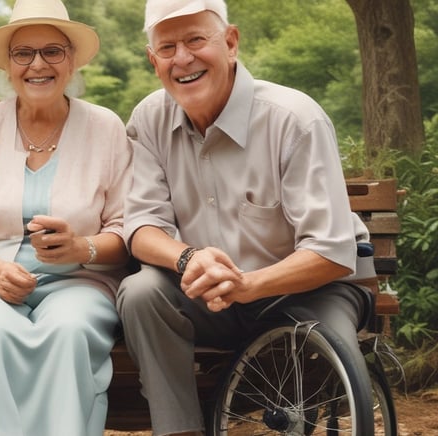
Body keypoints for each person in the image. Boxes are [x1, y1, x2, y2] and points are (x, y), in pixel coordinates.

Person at [116, 0, 375, 434]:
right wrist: (187, 258)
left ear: (231, 42)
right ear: (152, 59)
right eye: (167, 47)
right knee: (141, 292)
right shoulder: (149, 119)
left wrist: (248, 285)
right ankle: (180, 430)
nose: (183, 59)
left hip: (311, 291)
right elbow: (142, 227)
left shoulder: (295, 119)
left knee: (339, 358)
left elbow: (330, 252)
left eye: (197, 40)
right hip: (211, 295)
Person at [0, 0, 132, 434]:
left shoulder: (106, 128)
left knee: (69, 333)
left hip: (79, 281)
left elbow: (128, 227)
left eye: (53, 51)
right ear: (9, 65)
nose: (38, 64)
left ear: (72, 62)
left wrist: (82, 248)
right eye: (24, 53)